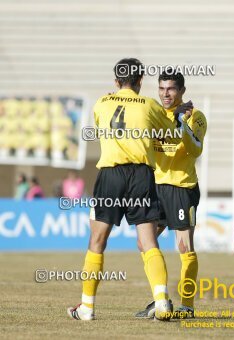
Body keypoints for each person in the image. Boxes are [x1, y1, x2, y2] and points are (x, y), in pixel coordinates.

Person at [67, 58, 183, 321]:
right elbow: (168, 133)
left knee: (97, 241)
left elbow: (102, 127)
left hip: (110, 175)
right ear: (141, 80)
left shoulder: (101, 102)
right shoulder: (150, 105)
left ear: (116, 81)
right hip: (141, 174)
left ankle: (87, 307)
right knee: (148, 241)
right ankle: (162, 302)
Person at [135, 71, 206, 319]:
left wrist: (180, 122)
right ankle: (160, 300)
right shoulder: (154, 113)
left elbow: (195, 149)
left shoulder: (194, 116)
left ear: (182, 91)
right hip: (154, 186)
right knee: (144, 242)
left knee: (184, 246)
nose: (166, 94)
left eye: (171, 89)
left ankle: (187, 305)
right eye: (162, 89)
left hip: (181, 187)